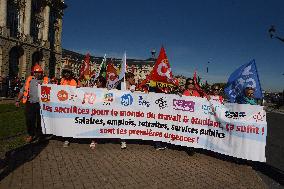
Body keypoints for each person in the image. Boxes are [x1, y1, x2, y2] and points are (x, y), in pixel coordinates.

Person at [15, 64, 49, 142]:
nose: (38, 74)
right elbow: (22, 90)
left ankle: (40, 135)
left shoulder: (47, 80)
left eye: (40, 72)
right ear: (33, 73)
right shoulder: (29, 80)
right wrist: (17, 100)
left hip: (42, 104)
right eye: (37, 72)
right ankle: (31, 135)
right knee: (30, 120)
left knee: (41, 121)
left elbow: (56, 89)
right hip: (30, 103)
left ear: (42, 73)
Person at [60, 65, 78, 147]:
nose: (67, 74)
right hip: (62, 105)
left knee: (68, 122)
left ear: (71, 73)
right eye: (65, 72)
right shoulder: (62, 80)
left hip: (70, 105)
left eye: (68, 72)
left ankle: (67, 139)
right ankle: (64, 136)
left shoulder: (73, 81)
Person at [90, 76, 107, 149]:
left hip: (102, 111)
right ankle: (93, 141)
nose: (97, 82)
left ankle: (97, 139)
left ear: (102, 83)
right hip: (94, 110)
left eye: (98, 81)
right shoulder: (94, 89)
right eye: (97, 81)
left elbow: (107, 101)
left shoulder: (106, 90)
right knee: (93, 125)